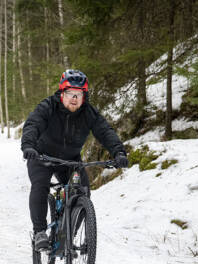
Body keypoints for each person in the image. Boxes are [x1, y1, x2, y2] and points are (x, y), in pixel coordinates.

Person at [21, 69, 129, 250]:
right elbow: (33, 124)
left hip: (70, 160)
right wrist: (28, 146)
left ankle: (67, 235)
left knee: (83, 192)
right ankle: (40, 232)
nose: (74, 98)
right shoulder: (48, 106)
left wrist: (118, 152)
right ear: (62, 93)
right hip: (41, 156)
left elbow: (105, 132)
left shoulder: (88, 112)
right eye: (70, 93)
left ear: (83, 96)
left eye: (78, 94)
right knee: (40, 186)